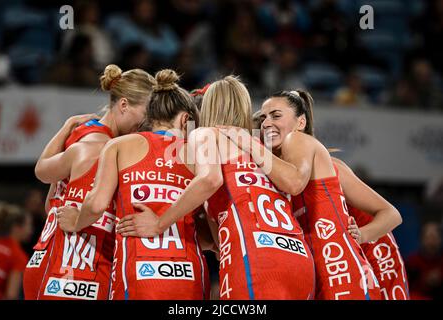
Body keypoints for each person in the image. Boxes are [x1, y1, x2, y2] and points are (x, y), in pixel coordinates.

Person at [115, 76, 316, 300]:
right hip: (299, 261)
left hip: (255, 261)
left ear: (207, 109)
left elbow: (210, 180)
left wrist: (160, 223)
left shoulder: (207, 135)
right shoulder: (265, 148)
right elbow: (218, 239)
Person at [220, 89, 403, 299]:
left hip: (343, 275)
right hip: (315, 280)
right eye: (263, 118)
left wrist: (362, 235)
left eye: (276, 116)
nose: (266, 123)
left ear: (300, 123)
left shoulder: (297, 140)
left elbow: (391, 213)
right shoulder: (272, 167)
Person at [57, 69, 210, 300]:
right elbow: (207, 232)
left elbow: (97, 205)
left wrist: (77, 221)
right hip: (188, 277)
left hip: (136, 276)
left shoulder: (119, 145)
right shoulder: (199, 156)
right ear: (185, 119)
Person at [24, 64, 155, 300]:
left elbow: (48, 199)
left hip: (44, 261)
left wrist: (65, 127)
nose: (146, 124)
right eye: (146, 115)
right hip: (78, 268)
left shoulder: (81, 131)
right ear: (124, 104)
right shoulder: (103, 148)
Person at [331, 159, 410, 300]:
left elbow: (393, 215)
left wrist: (361, 235)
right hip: (345, 250)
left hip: (373, 246)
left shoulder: (330, 165)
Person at [0, 202, 32, 299]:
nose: (31, 230)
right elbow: (11, 295)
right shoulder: (17, 255)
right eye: (28, 225)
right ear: (16, 228)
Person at [406, 221, 443, 300]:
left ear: (440, 239)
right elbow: (407, 288)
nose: (431, 241)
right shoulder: (412, 261)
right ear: (421, 239)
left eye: (435, 237)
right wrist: (425, 281)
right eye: (428, 237)